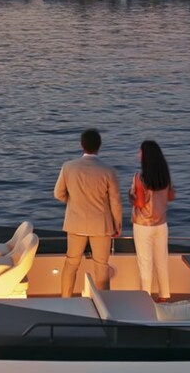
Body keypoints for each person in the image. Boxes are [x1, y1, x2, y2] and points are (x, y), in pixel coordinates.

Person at [53, 128, 123, 296]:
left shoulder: (68, 167)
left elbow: (58, 194)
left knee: (71, 264)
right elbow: (115, 201)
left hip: (75, 222)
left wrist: (73, 203)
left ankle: (66, 299)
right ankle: (103, 302)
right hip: (101, 224)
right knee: (102, 266)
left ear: (81, 145)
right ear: (99, 145)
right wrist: (117, 224)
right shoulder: (108, 170)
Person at [130, 139, 177, 300]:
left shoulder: (140, 177)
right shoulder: (165, 176)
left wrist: (131, 197)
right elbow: (171, 196)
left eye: (140, 151)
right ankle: (164, 295)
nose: (138, 154)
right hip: (161, 224)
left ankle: (146, 298)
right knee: (162, 261)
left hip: (143, 224)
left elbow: (140, 203)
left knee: (145, 263)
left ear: (146, 155)